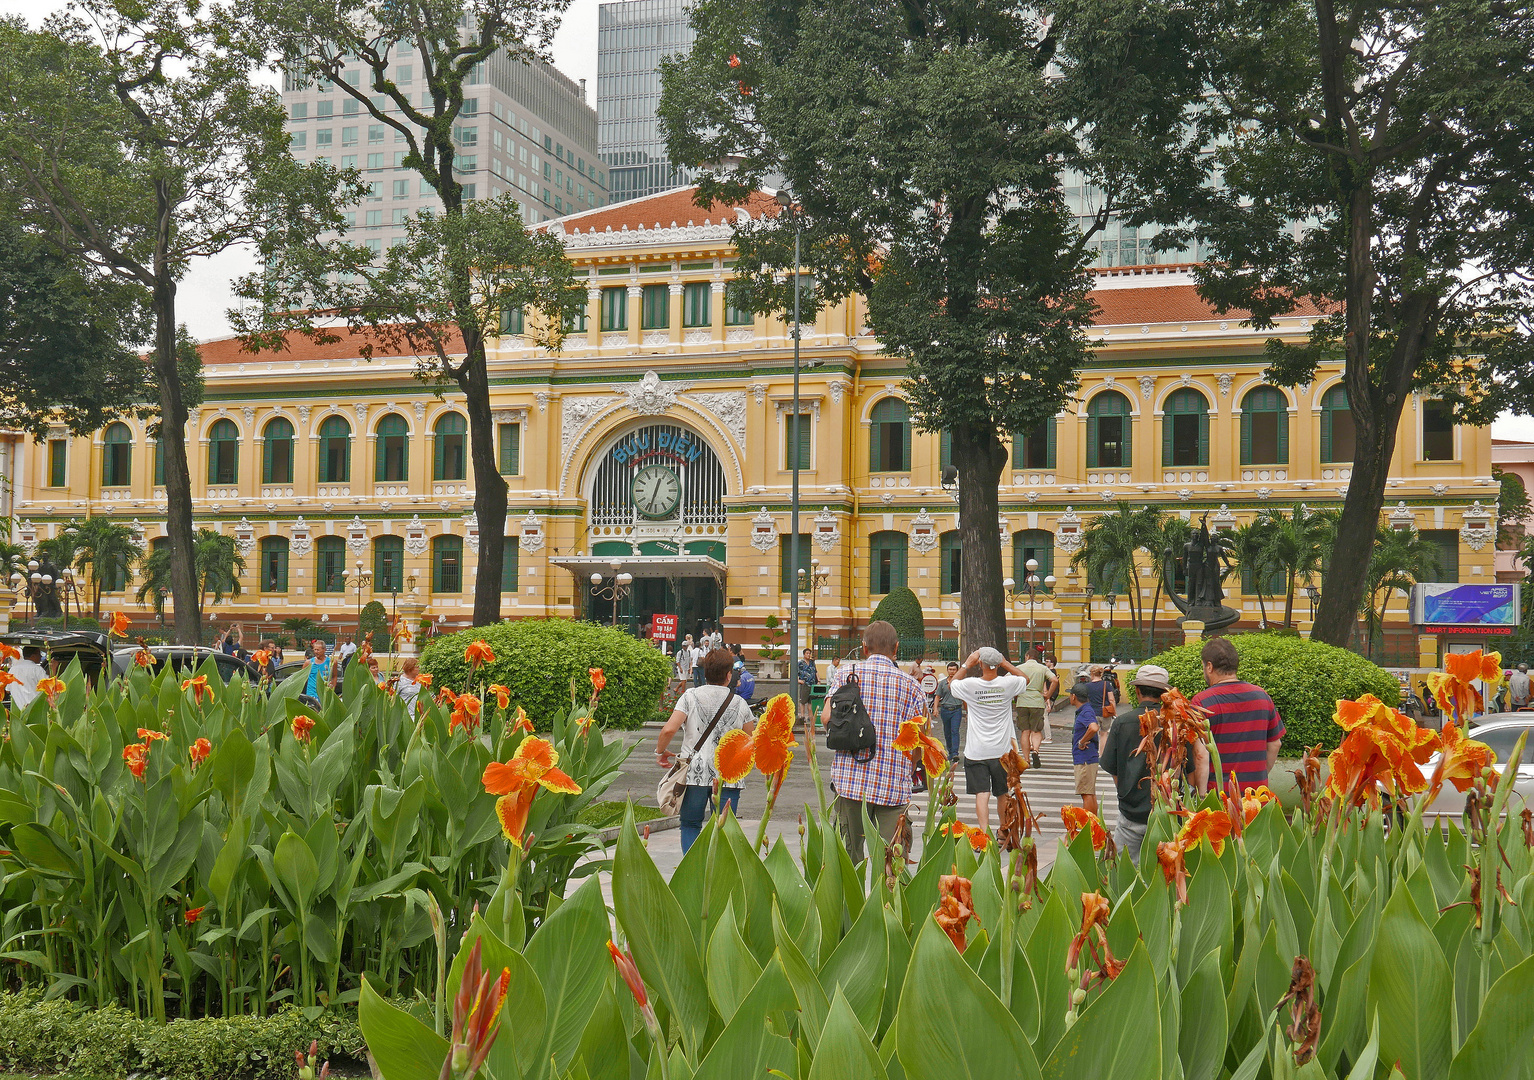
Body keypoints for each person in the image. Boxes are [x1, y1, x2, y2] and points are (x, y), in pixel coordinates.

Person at [820, 620, 928, 860]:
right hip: (893, 784)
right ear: (896, 648)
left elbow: (827, 717)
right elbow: (920, 740)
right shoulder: (912, 686)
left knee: (849, 861)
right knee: (893, 864)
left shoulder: (846, 675)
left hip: (851, 781)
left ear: (864, 648)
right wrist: (909, 769)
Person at [1100, 665, 1210, 862]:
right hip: (1170, 815)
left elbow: (1113, 769)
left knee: (1126, 873)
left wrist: (1127, 792)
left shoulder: (1122, 723)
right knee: (1167, 872)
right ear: (1164, 693)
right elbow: (1190, 769)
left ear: (1137, 690)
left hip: (1131, 815)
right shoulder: (1177, 723)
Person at [655, 647, 755, 852]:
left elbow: (669, 729)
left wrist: (660, 752)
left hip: (694, 774)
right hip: (729, 774)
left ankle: (692, 873)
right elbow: (750, 741)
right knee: (725, 829)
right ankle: (719, 874)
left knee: (690, 825)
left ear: (705, 673)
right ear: (729, 675)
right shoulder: (740, 703)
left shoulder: (689, 697)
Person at [949, 647, 1029, 832]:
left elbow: (952, 684)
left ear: (980, 664)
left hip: (976, 750)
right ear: (998, 664)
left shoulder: (971, 685)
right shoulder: (1007, 684)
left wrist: (966, 664)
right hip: (1001, 751)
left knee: (982, 793)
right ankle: (1003, 829)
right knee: (1002, 792)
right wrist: (1005, 662)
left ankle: (984, 832)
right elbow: (1025, 679)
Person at [1193, 637, 1285, 790]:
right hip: (1255, 798)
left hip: (1219, 799)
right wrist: (1259, 778)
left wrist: (1202, 797)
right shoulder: (1262, 697)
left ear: (1209, 666)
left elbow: (1201, 755)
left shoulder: (1202, 702)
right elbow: (1275, 744)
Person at [1014, 645, 1058, 770]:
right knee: (1036, 730)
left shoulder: (1020, 668)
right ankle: (1036, 751)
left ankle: (1026, 759)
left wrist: (1015, 693)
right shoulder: (1042, 668)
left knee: (1025, 731)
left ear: (1027, 656)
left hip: (1022, 701)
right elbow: (1054, 680)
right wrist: (1047, 695)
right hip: (1037, 702)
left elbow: (1008, 679)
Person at [1069, 682, 1101, 814]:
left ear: (1074, 697)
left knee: (1086, 793)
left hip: (1085, 758)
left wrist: (1082, 741)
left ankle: (1089, 826)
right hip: (1088, 757)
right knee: (1089, 793)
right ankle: (1094, 825)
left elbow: (1093, 727)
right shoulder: (1086, 710)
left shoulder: (1086, 711)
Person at [935, 661, 963, 762]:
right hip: (945, 710)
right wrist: (935, 709)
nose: (952, 671)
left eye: (954, 670)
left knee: (954, 731)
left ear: (957, 670)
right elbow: (937, 696)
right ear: (947, 670)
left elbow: (964, 698)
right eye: (950, 669)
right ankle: (950, 752)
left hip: (956, 709)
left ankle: (955, 753)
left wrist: (968, 711)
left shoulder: (960, 683)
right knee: (947, 732)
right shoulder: (943, 683)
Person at [7, 646, 47, 710]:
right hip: (36, 709)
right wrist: (53, 668)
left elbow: (8, 690)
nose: (41, 657)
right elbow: (49, 686)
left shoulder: (13, 669)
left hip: (19, 711)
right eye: (39, 654)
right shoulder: (37, 669)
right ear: (33, 656)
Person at [797, 647, 818, 723]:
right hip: (805, 684)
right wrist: (799, 680)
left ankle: (810, 716)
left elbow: (815, 671)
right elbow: (795, 672)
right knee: (803, 701)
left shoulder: (812, 662)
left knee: (810, 701)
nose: (808, 655)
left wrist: (818, 680)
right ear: (804, 654)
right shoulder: (800, 663)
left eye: (809, 653)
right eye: (807, 653)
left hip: (812, 684)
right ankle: (802, 716)